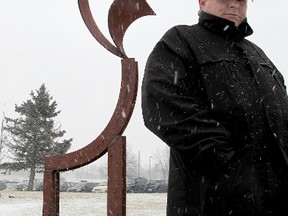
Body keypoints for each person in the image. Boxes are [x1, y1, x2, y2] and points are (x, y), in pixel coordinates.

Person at [141, 0, 288, 215]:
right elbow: (161, 101)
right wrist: (229, 164)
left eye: (241, 0)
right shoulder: (180, 41)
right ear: (202, 2)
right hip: (209, 203)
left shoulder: (260, 56)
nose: (234, 5)